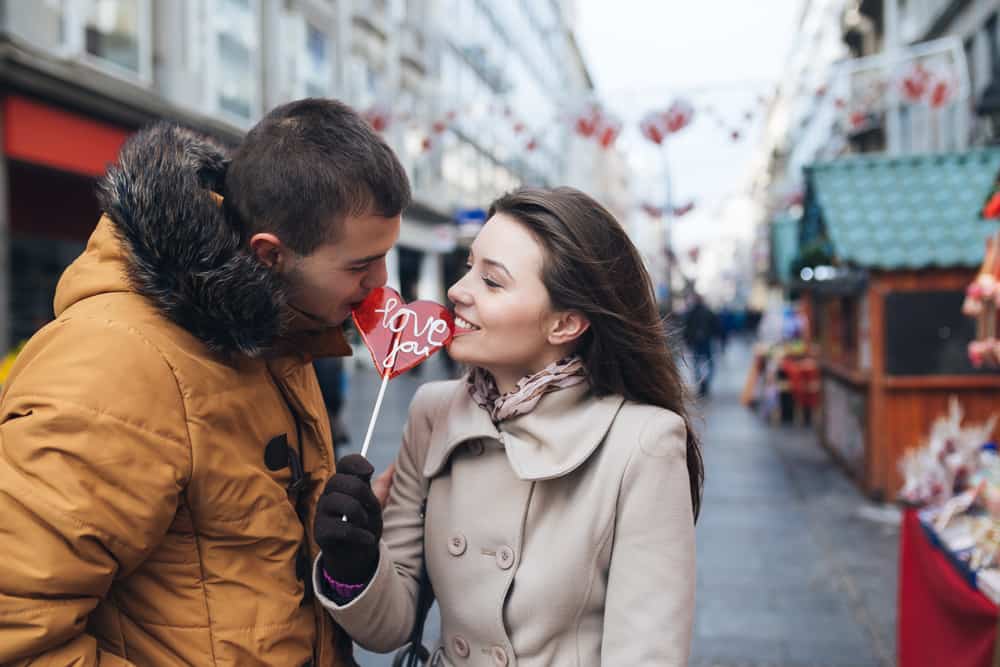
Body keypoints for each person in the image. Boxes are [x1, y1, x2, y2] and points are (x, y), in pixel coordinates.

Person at [0, 98, 407, 666]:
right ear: (269, 254)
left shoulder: (282, 332)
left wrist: (342, 559)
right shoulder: (116, 364)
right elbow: (18, 626)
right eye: (360, 265)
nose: (380, 282)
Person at [314, 187, 703, 665]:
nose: (457, 291)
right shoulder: (432, 412)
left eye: (492, 281)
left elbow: (646, 653)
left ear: (565, 324)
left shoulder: (643, 443)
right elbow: (391, 626)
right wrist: (354, 564)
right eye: (468, 267)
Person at [682, 292, 722, 397]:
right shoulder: (708, 312)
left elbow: (686, 328)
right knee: (709, 363)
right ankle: (705, 382)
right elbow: (716, 326)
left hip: (696, 342)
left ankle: (701, 383)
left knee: (697, 363)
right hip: (706, 341)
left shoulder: (691, 313)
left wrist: (687, 341)